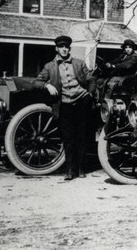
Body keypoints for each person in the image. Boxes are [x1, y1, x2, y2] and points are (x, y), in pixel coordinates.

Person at [32, 35, 95, 181]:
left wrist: (90, 95)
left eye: (66, 47)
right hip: (64, 104)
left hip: (81, 101)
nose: (64, 49)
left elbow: (91, 79)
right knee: (68, 137)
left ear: (69, 48)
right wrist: (47, 85)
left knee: (82, 136)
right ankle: (69, 170)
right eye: (61, 47)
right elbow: (36, 81)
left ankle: (80, 168)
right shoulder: (49, 66)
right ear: (57, 48)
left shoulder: (79, 63)